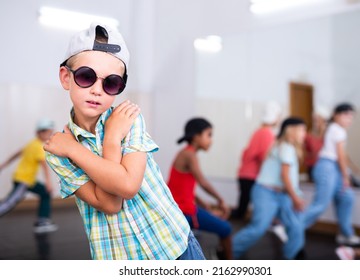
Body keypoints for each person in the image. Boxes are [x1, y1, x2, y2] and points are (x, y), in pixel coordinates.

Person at [44, 22, 205, 260]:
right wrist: (74, 147)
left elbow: (128, 186)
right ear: (66, 77)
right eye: (86, 77)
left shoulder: (128, 119)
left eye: (110, 83)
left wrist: (100, 142)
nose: (97, 90)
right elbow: (110, 203)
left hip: (174, 246)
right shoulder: (57, 150)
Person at [232, 117, 307, 260]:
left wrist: (295, 195)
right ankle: (229, 251)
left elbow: (289, 178)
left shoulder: (284, 146)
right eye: (302, 129)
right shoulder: (286, 147)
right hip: (266, 192)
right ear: (292, 131)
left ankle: (292, 256)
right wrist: (296, 198)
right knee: (258, 228)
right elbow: (285, 176)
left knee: (296, 226)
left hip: (282, 194)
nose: (305, 133)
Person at [167, 118, 233, 259]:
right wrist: (221, 200)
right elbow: (202, 182)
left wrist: (205, 205)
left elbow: (184, 188)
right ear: (196, 137)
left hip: (184, 209)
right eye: (209, 135)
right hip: (185, 213)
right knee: (226, 228)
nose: (211, 140)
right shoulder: (189, 155)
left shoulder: (187, 153)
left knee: (222, 226)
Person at [303, 103, 360, 246]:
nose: (349, 119)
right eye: (346, 115)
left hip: (331, 167)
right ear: (335, 115)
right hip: (328, 167)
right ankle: (291, 228)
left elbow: (342, 156)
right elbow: (340, 156)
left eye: (351, 117)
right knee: (320, 204)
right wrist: (346, 176)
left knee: (347, 197)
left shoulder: (334, 128)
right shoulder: (338, 130)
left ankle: (345, 233)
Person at [0, 119, 58, 233]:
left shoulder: (32, 143)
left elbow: (17, 153)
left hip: (27, 180)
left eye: (51, 133)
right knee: (9, 203)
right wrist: (48, 183)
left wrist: (4, 164)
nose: (49, 136)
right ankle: (42, 221)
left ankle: (43, 221)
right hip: (24, 180)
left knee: (45, 193)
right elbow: (44, 166)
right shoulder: (38, 147)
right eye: (47, 133)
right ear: (39, 133)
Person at [232, 101, 282, 219]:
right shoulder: (267, 134)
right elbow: (265, 159)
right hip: (252, 176)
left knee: (243, 208)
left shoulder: (258, 131)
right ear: (275, 117)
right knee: (249, 211)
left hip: (245, 174)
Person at [304, 105, 330, 182]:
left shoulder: (329, 133)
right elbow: (307, 149)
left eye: (318, 119)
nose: (315, 122)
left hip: (324, 165)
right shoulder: (309, 134)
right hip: (312, 165)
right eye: (314, 120)